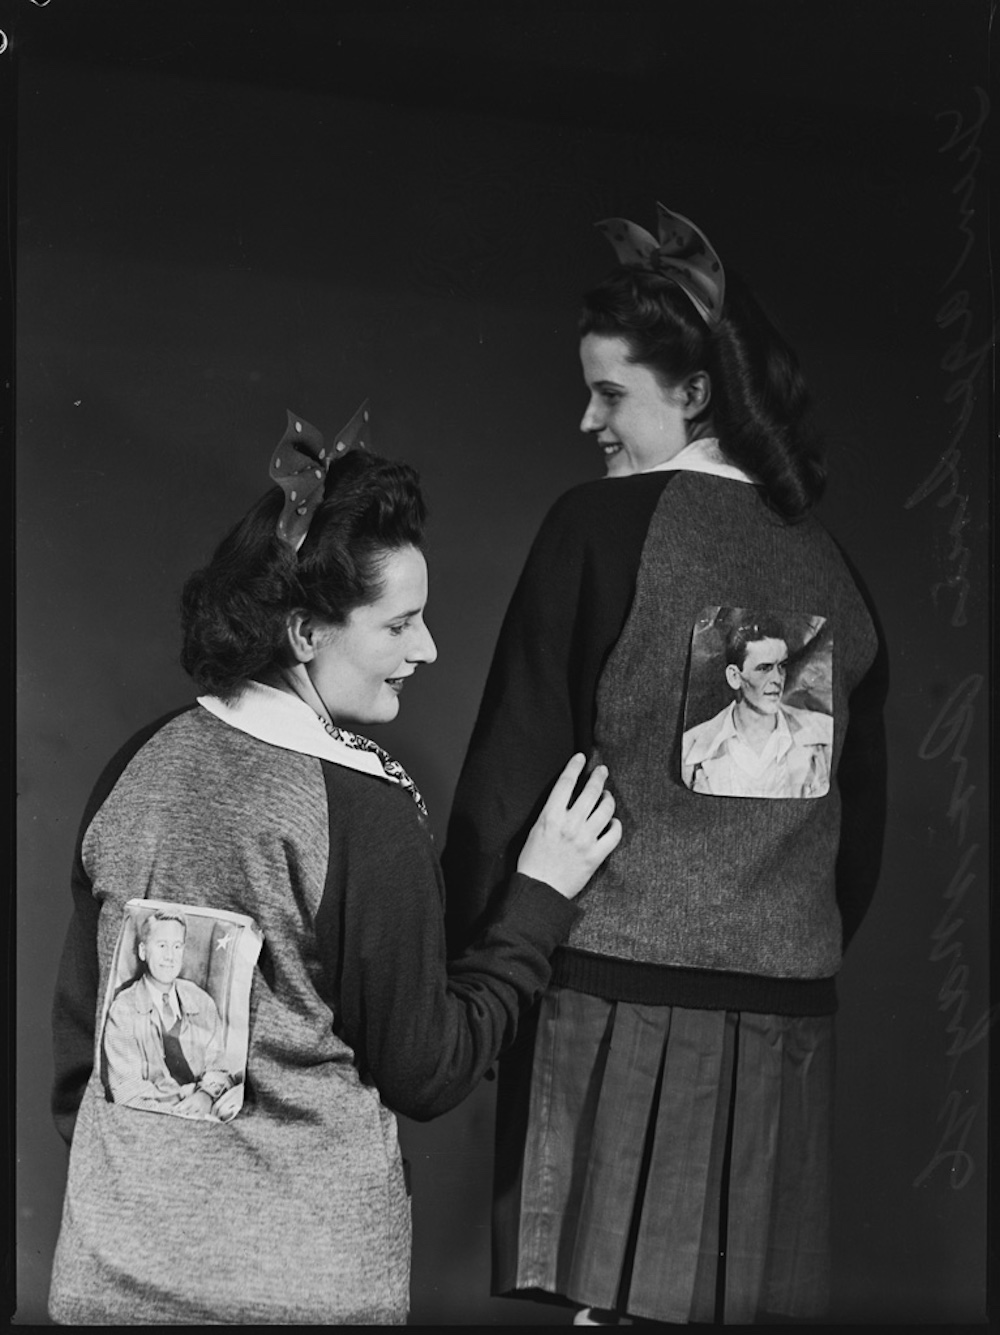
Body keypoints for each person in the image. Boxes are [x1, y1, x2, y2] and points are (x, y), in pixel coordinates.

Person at [48, 403, 621, 1326]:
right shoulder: (363, 813)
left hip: (109, 1280)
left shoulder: (136, 765)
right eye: (400, 625)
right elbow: (430, 1069)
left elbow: (83, 1059)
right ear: (306, 634)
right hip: (305, 1295)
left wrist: (152, 1199)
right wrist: (539, 901)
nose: (428, 648)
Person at [443, 204, 888, 1326]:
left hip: (608, 1006)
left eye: (608, 393)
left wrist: (480, 967)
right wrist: (772, 927)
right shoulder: (835, 568)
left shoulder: (596, 527)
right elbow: (861, 840)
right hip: (785, 1021)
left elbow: (511, 770)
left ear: (693, 393)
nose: (585, 419)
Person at [681, 614, 833, 798]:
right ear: (734, 677)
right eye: (764, 668)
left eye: (782, 666)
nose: (777, 679)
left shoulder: (822, 733)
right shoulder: (691, 748)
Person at [102, 908, 235, 1117]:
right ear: (144, 951)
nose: (170, 956)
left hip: (206, 1113)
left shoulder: (201, 1001)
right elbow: (126, 1093)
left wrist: (206, 1096)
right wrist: (178, 1110)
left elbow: (220, 1069)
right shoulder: (123, 1011)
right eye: (162, 945)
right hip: (151, 1117)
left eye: (177, 946)